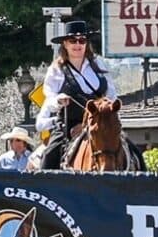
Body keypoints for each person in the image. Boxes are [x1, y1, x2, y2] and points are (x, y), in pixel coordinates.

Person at [35, 21, 121, 169]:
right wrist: (58, 100)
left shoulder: (98, 64)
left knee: (131, 150)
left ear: (86, 43)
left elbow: (111, 92)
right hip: (68, 125)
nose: (78, 44)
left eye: (82, 40)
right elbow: (49, 95)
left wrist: (110, 105)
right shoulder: (57, 69)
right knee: (49, 157)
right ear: (65, 44)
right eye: (72, 41)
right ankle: (45, 188)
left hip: (100, 123)